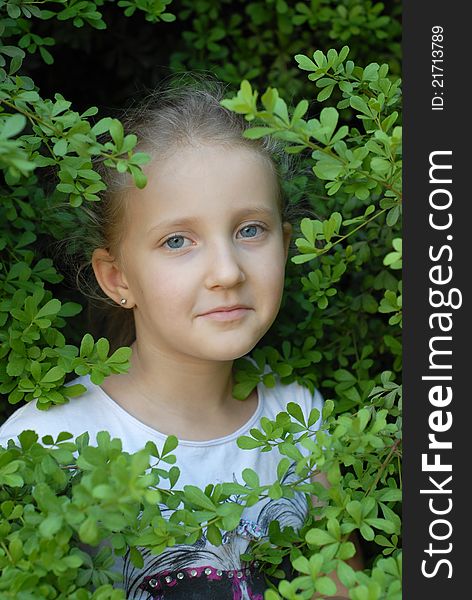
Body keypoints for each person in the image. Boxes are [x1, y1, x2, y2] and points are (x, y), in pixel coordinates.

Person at [0, 77, 358, 599]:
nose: (226, 272)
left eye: (250, 230)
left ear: (286, 240)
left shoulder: (300, 420)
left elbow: (340, 588)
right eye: (177, 241)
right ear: (118, 278)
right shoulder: (46, 443)